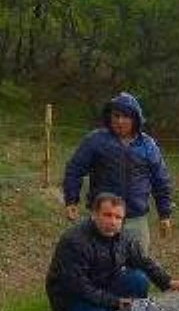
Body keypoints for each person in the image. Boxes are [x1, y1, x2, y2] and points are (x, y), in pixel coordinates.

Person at [46, 192, 179, 311]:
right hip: (72, 297)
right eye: (107, 215)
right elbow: (78, 286)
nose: (113, 222)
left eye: (118, 217)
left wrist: (169, 282)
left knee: (139, 279)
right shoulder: (74, 241)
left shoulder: (124, 237)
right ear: (94, 214)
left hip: (103, 285)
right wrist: (116, 302)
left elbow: (143, 261)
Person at [63, 91, 172, 255]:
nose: (120, 121)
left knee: (138, 271)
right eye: (116, 116)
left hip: (136, 220)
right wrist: (71, 200)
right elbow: (74, 169)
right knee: (97, 268)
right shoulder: (96, 141)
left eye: (125, 116)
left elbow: (161, 180)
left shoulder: (148, 146)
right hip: (102, 217)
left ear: (135, 119)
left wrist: (164, 214)